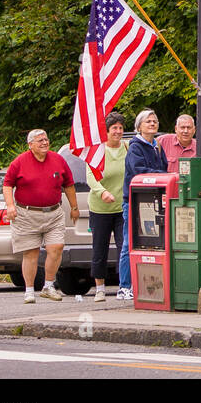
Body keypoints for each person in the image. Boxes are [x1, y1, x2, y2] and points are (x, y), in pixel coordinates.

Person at [2, 129, 80, 304]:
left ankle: (48, 286)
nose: (45, 143)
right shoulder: (19, 162)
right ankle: (29, 290)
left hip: (53, 213)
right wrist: (10, 206)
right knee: (31, 253)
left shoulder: (58, 159)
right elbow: (7, 184)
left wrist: (74, 207)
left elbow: (68, 184)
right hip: (27, 214)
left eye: (46, 139)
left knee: (57, 247)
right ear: (30, 145)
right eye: (40, 140)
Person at [119, 109, 167, 301]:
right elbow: (138, 171)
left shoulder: (158, 146)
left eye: (154, 121)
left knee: (152, 245)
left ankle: (147, 285)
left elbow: (164, 168)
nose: (152, 124)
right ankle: (124, 286)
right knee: (129, 243)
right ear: (139, 126)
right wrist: (161, 175)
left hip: (154, 201)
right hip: (134, 202)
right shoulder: (135, 147)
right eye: (148, 122)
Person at [88, 112, 128, 302]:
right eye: (115, 128)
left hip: (122, 208)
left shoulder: (127, 148)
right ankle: (100, 288)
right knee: (100, 248)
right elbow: (91, 177)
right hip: (100, 208)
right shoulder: (98, 151)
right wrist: (102, 192)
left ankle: (124, 286)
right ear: (107, 131)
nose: (118, 132)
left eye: (121, 128)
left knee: (124, 247)